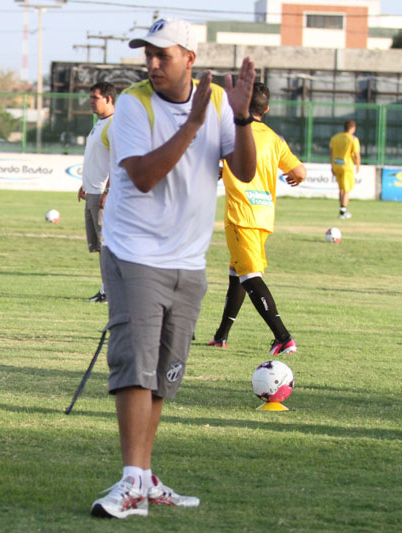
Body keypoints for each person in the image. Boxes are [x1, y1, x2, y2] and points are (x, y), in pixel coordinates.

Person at [91, 18, 256, 519]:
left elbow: (244, 172)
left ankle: (144, 477)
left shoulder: (220, 103)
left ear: (190, 57)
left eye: (163, 54)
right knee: (135, 368)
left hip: (189, 259)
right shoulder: (134, 105)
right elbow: (142, 176)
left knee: (162, 375)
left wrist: (243, 118)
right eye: (148, 54)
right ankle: (130, 481)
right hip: (135, 253)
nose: (153, 63)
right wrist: (192, 124)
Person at [207, 82, 306, 355]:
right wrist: (293, 177)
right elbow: (300, 171)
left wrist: (218, 170)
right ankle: (221, 336)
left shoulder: (232, 131)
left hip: (242, 214)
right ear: (267, 108)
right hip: (264, 215)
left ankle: (283, 337)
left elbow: (207, 159)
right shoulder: (275, 138)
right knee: (236, 274)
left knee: (250, 276)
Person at [78, 81, 115, 303]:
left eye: (95, 97)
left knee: (107, 245)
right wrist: (85, 184)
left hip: (103, 194)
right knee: (100, 246)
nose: (91, 101)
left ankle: (109, 291)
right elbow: (97, 159)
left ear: (108, 99)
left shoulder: (114, 125)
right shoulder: (99, 124)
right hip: (92, 191)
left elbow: (118, 160)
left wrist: (109, 190)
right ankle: (105, 289)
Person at [329, 120, 360, 219]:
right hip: (347, 167)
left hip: (336, 165)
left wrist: (332, 165)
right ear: (353, 128)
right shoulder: (353, 139)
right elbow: (356, 154)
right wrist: (358, 166)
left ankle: (342, 210)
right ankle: (342, 212)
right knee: (347, 190)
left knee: (341, 189)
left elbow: (331, 152)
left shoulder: (335, 138)